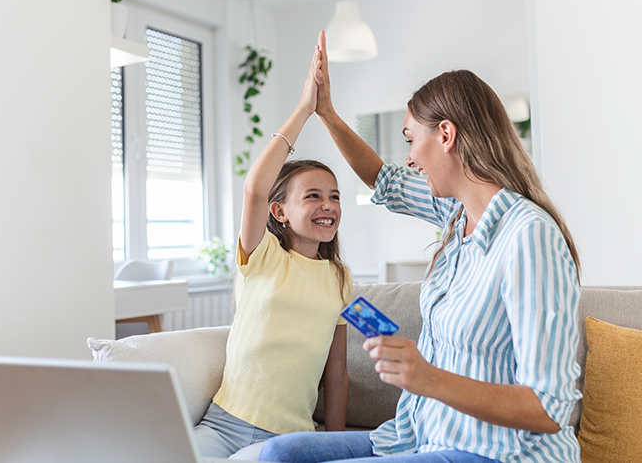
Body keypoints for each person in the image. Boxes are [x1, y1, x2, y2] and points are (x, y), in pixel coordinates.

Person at [259, 32, 583, 463]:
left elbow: (549, 408)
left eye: (411, 139)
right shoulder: (456, 215)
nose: (409, 158)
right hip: (419, 435)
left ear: (446, 134)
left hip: (497, 453)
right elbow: (385, 179)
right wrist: (326, 114)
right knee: (282, 453)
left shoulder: (529, 236)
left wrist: (428, 378)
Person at [193, 43, 351, 459]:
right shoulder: (261, 255)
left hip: (290, 439)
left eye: (334, 197)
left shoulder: (339, 278)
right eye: (313, 196)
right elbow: (255, 188)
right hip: (223, 424)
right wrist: (304, 110)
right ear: (278, 211)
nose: (328, 205)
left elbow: (336, 374)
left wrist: (336, 448)